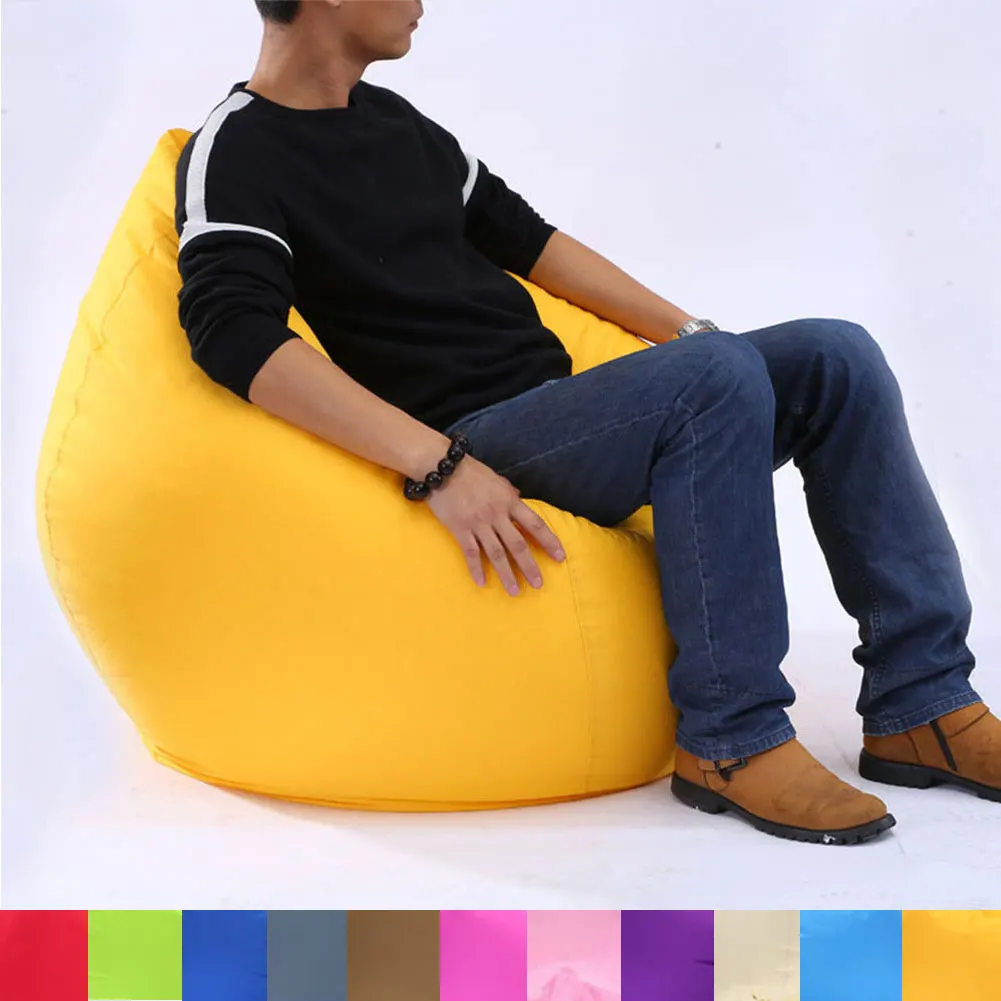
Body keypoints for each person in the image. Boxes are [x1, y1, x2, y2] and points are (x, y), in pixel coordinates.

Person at [174, 0, 1000, 844]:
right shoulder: (235, 149)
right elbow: (232, 334)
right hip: (468, 438)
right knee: (714, 377)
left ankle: (921, 703)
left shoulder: (393, 121)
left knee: (834, 354)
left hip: (561, 410)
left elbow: (528, 240)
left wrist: (693, 334)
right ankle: (731, 737)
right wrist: (439, 465)